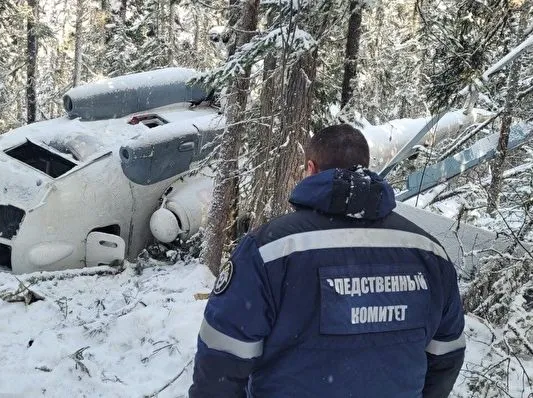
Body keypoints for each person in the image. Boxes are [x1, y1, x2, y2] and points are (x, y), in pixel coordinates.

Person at [189, 124, 466, 398]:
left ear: (310, 169)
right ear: (365, 167)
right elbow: (446, 357)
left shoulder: (269, 249)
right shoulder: (430, 254)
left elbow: (221, 360)